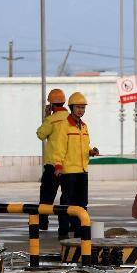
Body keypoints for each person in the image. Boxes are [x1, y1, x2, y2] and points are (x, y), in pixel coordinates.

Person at [51, 91, 99, 239]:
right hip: (69, 171)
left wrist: (91, 151)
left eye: (83, 108)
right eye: (78, 107)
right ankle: (64, 230)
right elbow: (59, 148)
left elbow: (84, 147)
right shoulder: (65, 126)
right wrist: (58, 166)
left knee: (82, 203)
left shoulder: (84, 127)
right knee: (67, 202)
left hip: (82, 171)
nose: (81, 110)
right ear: (71, 107)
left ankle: (79, 230)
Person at [35, 88, 69, 230]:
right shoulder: (71, 118)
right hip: (68, 165)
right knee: (67, 198)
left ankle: (43, 223)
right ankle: (66, 226)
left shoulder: (51, 120)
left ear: (52, 105)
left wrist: (46, 115)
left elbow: (40, 134)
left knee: (46, 196)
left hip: (52, 165)